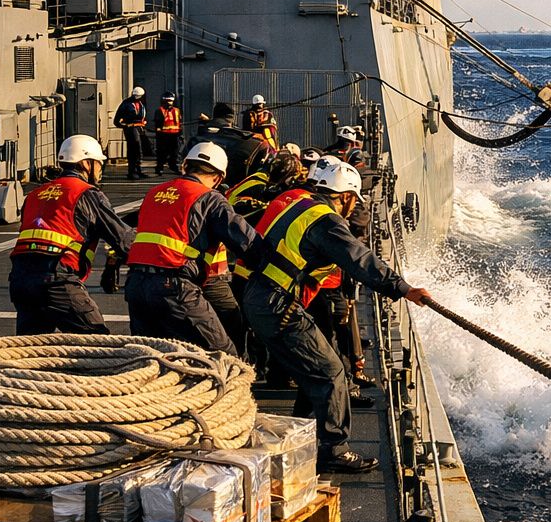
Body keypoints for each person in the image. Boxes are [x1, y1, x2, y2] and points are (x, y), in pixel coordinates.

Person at [238, 157, 430, 474]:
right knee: (331, 372)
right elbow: (358, 258)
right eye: (353, 200)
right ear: (345, 196)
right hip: (277, 304)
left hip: (260, 296)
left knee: (310, 372)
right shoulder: (326, 219)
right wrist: (402, 288)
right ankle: (333, 449)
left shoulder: (299, 203)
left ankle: (300, 438)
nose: (354, 207)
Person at [124, 141, 266, 354]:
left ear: (185, 166)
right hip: (174, 288)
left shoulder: (154, 193)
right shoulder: (210, 198)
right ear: (218, 178)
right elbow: (247, 242)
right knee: (223, 354)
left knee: (151, 355)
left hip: (136, 286)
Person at [9, 135, 135, 335]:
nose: (101, 169)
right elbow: (123, 240)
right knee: (98, 343)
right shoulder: (87, 194)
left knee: (32, 346)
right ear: (86, 163)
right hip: (57, 280)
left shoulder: (35, 194)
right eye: (99, 163)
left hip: (21, 281)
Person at [113, 86, 149, 179]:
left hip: (139, 128)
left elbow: (142, 116)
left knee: (139, 150)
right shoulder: (126, 104)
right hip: (131, 129)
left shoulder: (141, 104)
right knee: (134, 149)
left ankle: (138, 170)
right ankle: (132, 171)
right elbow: (117, 119)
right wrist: (124, 126)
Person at [152, 92, 184, 176]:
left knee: (175, 153)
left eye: (171, 101)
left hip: (175, 135)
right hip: (163, 135)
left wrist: (180, 134)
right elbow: (157, 124)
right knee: (162, 152)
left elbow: (179, 123)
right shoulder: (159, 111)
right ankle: (159, 168)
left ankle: (173, 166)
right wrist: (158, 134)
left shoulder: (177, 111)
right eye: (167, 101)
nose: (169, 103)